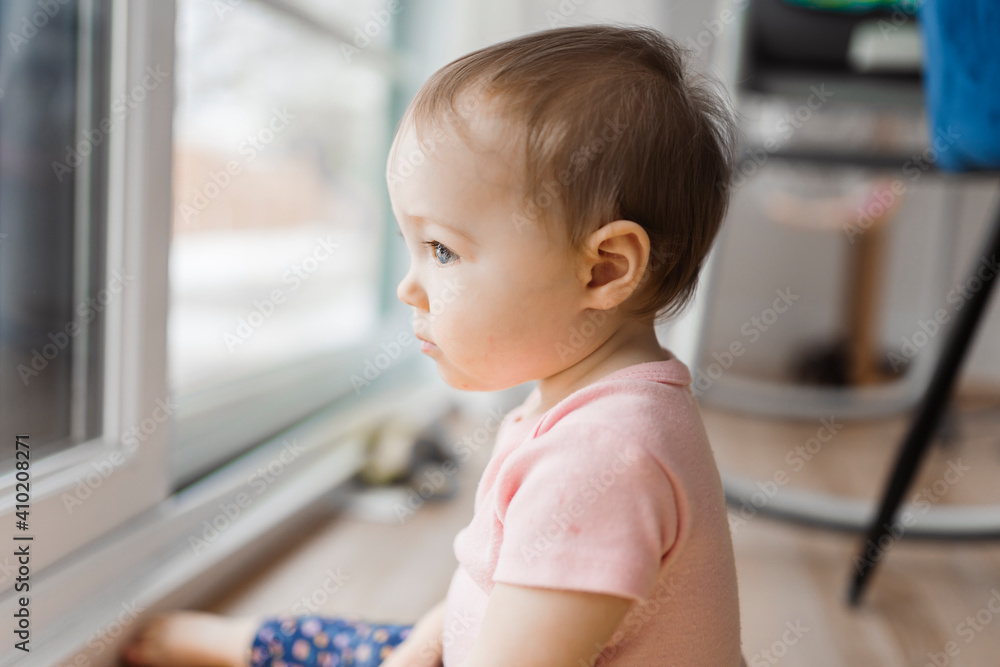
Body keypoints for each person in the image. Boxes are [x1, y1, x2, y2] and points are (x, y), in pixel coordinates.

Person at [121, 23, 747, 667]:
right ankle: (242, 643)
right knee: (380, 643)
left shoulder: (601, 461)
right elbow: (494, 588)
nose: (407, 289)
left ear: (604, 270)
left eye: (442, 250)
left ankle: (246, 646)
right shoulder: (592, 405)